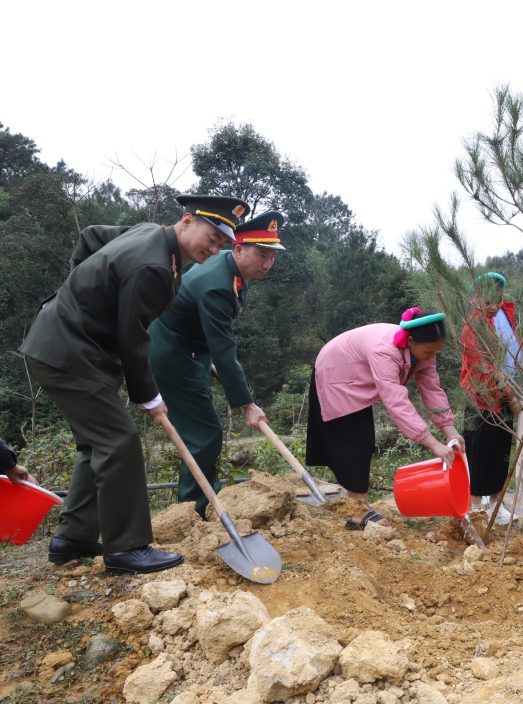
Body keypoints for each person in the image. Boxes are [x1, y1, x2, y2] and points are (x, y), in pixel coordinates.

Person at [19, 195, 251, 573]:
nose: (214, 248)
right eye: (211, 238)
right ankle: (127, 549)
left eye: (222, 245)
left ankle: (72, 539)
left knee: (98, 444)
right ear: (188, 221)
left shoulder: (152, 235)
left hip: (67, 348)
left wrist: (79, 293)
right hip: (69, 353)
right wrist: (149, 397)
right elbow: (134, 338)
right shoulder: (154, 267)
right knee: (120, 441)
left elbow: (91, 237)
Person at [150, 211, 285, 518]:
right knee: (205, 434)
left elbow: (208, 333)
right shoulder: (219, 287)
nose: (267, 265)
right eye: (261, 256)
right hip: (173, 356)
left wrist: (209, 363)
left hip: (190, 352)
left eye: (272, 258)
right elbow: (224, 347)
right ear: (238, 249)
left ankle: (208, 500)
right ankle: (195, 511)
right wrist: (247, 404)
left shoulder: (231, 268)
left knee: (205, 430)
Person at [306, 309, 465, 530]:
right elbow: (396, 400)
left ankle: (359, 505)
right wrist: (432, 443)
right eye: (428, 351)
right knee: (357, 443)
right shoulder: (385, 351)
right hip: (337, 374)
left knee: (362, 442)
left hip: (358, 377)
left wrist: (451, 431)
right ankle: (357, 513)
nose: (431, 356)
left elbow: (432, 390)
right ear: (410, 341)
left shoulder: (423, 352)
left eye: (436, 351)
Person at [460, 273, 523, 515]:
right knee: (479, 453)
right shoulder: (474, 326)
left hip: (504, 397)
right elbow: (487, 368)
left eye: (498, 300)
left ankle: (497, 505)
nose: (494, 306)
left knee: (500, 452)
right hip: (481, 400)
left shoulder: (499, 320)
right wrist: (511, 398)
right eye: (488, 301)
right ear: (476, 299)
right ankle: (475, 507)